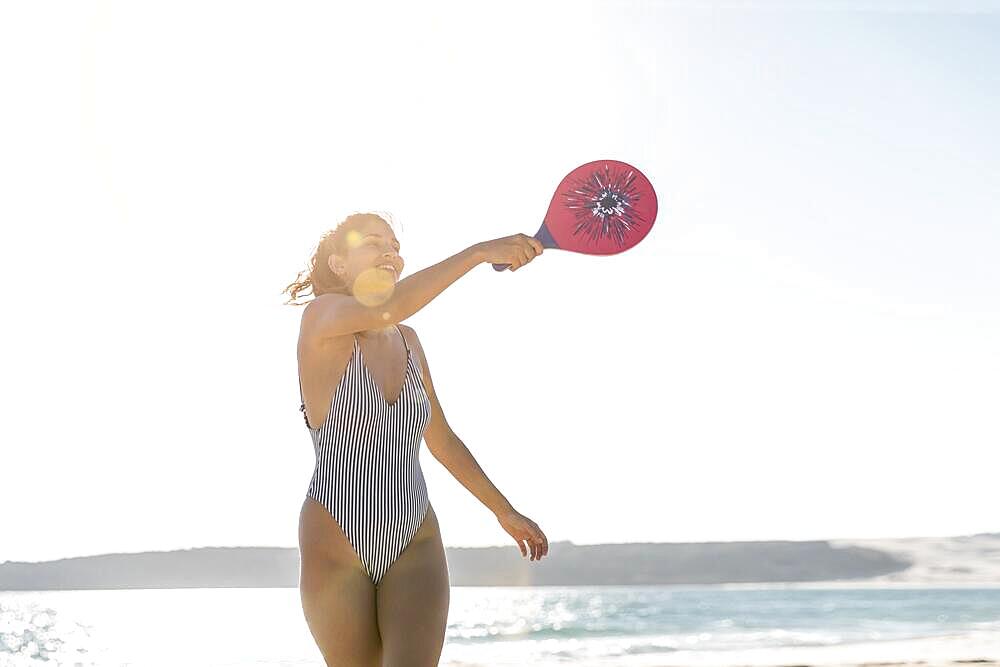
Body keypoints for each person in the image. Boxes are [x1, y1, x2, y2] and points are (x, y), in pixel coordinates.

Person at [282, 212, 549, 667]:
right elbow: (391, 305)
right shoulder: (320, 318)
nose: (391, 252)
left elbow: (441, 438)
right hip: (334, 534)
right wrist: (478, 252)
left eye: (394, 244)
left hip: (415, 536)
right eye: (372, 243)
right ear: (340, 265)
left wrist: (504, 510)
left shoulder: (409, 340)